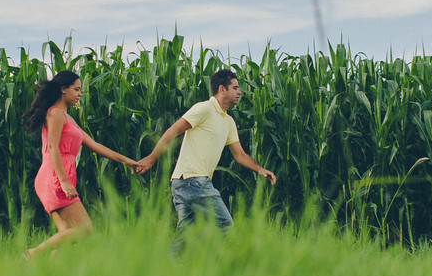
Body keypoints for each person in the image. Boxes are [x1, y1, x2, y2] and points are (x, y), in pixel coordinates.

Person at [135, 68, 276, 242]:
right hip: (193, 180)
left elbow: (239, 154)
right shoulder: (204, 109)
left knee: (184, 237)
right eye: (235, 88)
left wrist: (260, 169)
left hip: (183, 183)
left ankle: (171, 266)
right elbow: (174, 130)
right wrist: (151, 158)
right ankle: (202, 256)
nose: (239, 92)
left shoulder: (228, 121)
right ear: (222, 89)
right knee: (224, 224)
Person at [22, 70, 137, 258]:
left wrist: (125, 161)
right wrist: (64, 181)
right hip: (55, 177)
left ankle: (46, 275)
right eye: (76, 89)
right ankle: (31, 254)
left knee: (66, 236)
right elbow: (52, 147)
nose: (80, 94)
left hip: (56, 176)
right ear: (63, 90)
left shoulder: (68, 117)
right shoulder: (56, 113)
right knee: (84, 229)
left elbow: (94, 145)